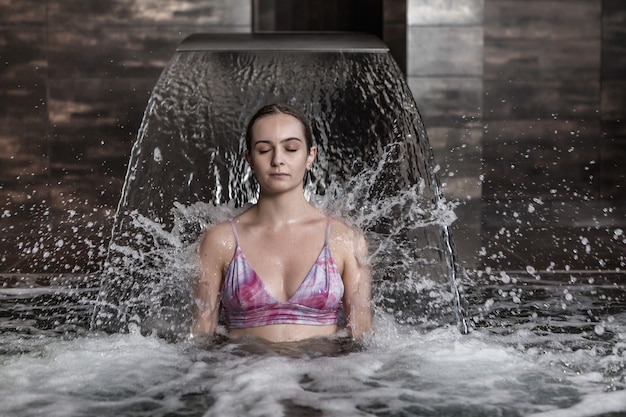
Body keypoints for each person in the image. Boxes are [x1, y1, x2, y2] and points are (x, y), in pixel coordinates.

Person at [191, 103, 373, 343]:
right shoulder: (221, 241)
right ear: (249, 160)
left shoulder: (345, 240)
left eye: (291, 148)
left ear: (310, 156)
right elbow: (200, 338)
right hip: (242, 377)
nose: (278, 160)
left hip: (323, 375)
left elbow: (364, 340)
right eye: (265, 150)